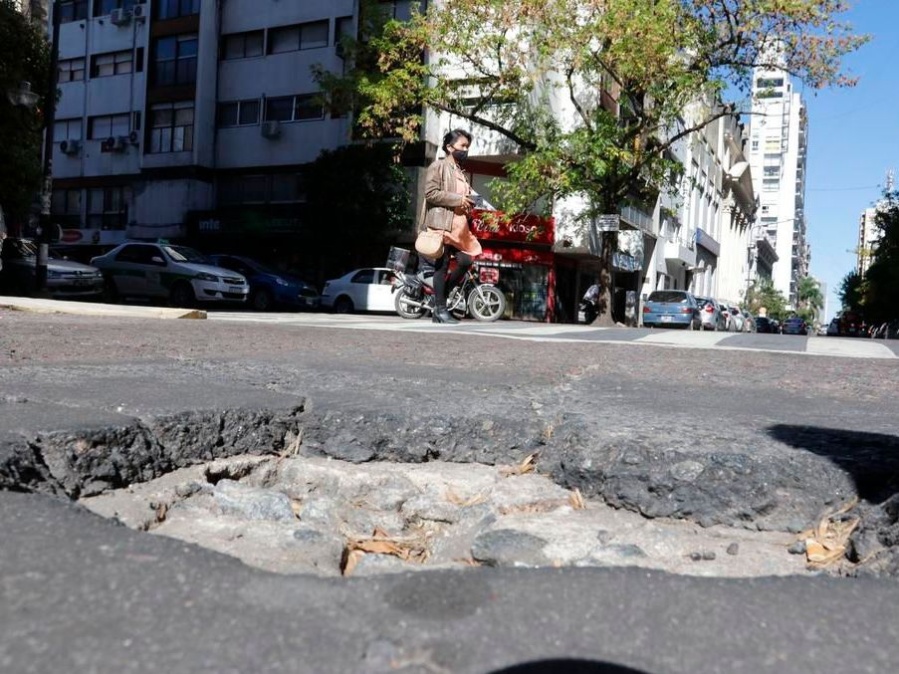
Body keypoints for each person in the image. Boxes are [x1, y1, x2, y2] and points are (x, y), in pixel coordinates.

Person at [420, 129, 483, 324]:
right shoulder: (438, 166)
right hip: (442, 224)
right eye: (463, 146)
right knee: (443, 265)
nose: (465, 150)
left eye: (467, 147)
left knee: (465, 261)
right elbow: (431, 193)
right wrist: (459, 199)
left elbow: (463, 198)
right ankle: (440, 309)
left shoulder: (460, 173)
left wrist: (472, 202)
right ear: (449, 147)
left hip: (459, 228)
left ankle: (440, 300)